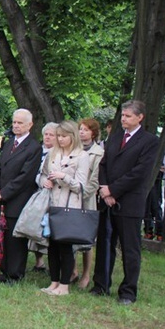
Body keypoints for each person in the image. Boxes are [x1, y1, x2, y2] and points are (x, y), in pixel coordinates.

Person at [92, 100, 159, 305]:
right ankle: (101, 285)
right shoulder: (115, 137)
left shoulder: (149, 141)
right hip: (107, 201)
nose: (123, 119)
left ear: (140, 118)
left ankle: (128, 291)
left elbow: (139, 173)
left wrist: (114, 189)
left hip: (129, 202)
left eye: (128, 116)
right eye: (122, 115)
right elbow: (103, 165)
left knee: (130, 248)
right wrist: (105, 190)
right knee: (104, 245)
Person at [0, 108, 42, 284]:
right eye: (14, 122)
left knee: (16, 240)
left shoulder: (34, 147)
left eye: (20, 123)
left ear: (30, 125)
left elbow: (25, 177)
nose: (16, 125)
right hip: (1, 198)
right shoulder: (8, 143)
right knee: (3, 238)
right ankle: (3, 272)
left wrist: (4, 193)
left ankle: (15, 274)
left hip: (17, 200)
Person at [39, 121, 89, 296]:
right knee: (52, 245)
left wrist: (64, 177)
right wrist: (44, 181)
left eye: (63, 136)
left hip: (69, 205)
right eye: (58, 136)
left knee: (65, 246)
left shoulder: (82, 156)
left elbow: (82, 186)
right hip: (52, 203)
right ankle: (54, 281)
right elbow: (43, 173)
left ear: (72, 136)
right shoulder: (53, 153)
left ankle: (64, 284)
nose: (60, 139)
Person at [71, 118, 104, 289]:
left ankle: (86, 274)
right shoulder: (74, 149)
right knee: (70, 234)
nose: (82, 132)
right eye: (80, 129)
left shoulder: (98, 152)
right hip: (70, 197)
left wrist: (81, 191)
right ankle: (73, 270)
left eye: (85, 129)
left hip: (86, 198)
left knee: (86, 239)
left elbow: (95, 180)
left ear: (93, 132)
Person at [30, 122, 58, 272]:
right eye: (46, 134)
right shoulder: (37, 150)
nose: (47, 137)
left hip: (51, 193)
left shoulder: (57, 153)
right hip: (35, 190)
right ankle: (38, 261)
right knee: (36, 225)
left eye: (51, 134)